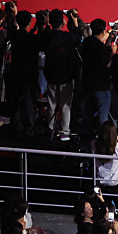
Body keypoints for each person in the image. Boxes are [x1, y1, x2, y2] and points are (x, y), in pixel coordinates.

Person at [43, 8, 80, 140]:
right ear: (63, 22)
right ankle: (65, 131)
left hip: (51, 75)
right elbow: (78, 37)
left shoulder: (47, 36)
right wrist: (74, 20)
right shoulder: (68, 37)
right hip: (66, 76)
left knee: (52, 103)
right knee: (65, 105)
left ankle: (51, 128)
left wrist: (47, 24)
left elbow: (44, 35)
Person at [81, 17, 115, 125]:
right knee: (103, 111)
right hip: (100, 84)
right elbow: (107, 63)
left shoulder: (86, 42)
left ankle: (88, 133)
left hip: (87, 82)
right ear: (103, 31)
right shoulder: (100, 48)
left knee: (89, 110)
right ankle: (103, 137)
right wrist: (112, 53)